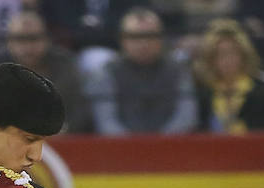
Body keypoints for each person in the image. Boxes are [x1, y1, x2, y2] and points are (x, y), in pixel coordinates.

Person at [85, 6, 198, 135]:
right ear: (122, 40)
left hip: (172, 148)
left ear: (162, 38)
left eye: (151, 36)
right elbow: (106, 121)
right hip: (120, 150)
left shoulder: (178, 70)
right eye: (135, 37)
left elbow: (186, 117)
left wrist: (160, 143)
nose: (144, 43)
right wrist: (135, 147)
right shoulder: (106, 72)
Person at [0, 10, 91, 132]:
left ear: (47, 39)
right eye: (20, 39)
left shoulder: (65, 64)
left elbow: (79, 109)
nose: (28, 47)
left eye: (34, 38)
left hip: (63, 139)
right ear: (9, 42)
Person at [194, 18, 264, 132]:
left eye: (233, 53)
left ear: (244, 55)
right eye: (221, 54)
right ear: (211, 59)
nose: (228, 60)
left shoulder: (261, 91)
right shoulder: (204, 93)